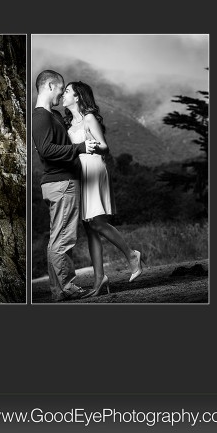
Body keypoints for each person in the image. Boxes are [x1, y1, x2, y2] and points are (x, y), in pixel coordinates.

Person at [62, 81, 143, 297]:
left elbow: (104, 146)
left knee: (97, 222)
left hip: (94, 168)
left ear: (77, 96)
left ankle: (132, 255)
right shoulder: (69, 124)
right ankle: (99, 280)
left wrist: (89, 145)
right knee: (89, 227)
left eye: (67, 91)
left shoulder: (89, 118)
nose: (64, 94)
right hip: (81, 172)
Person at [31, 70, 98, 301]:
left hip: (63, 183)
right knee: (63, 240)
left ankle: (60, 290)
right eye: (60, 88)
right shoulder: (41, 117)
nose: (62, 93)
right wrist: (78, 148)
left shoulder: (54, 115)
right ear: (50, 86)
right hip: (61, 184)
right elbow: (47, 150)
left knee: (59, 239)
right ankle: (66, 288)